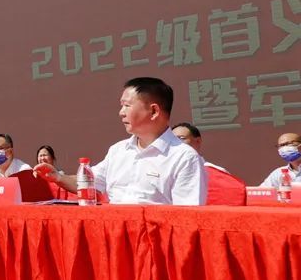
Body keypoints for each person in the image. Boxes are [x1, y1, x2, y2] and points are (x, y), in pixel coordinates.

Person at [39, 77, 207, 205]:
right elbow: (88, 183)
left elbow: (186, 219)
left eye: (127, 105)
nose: (121, 112)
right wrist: (57, 177)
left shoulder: (184, 158)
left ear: (154, 111)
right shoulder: (118, 151)